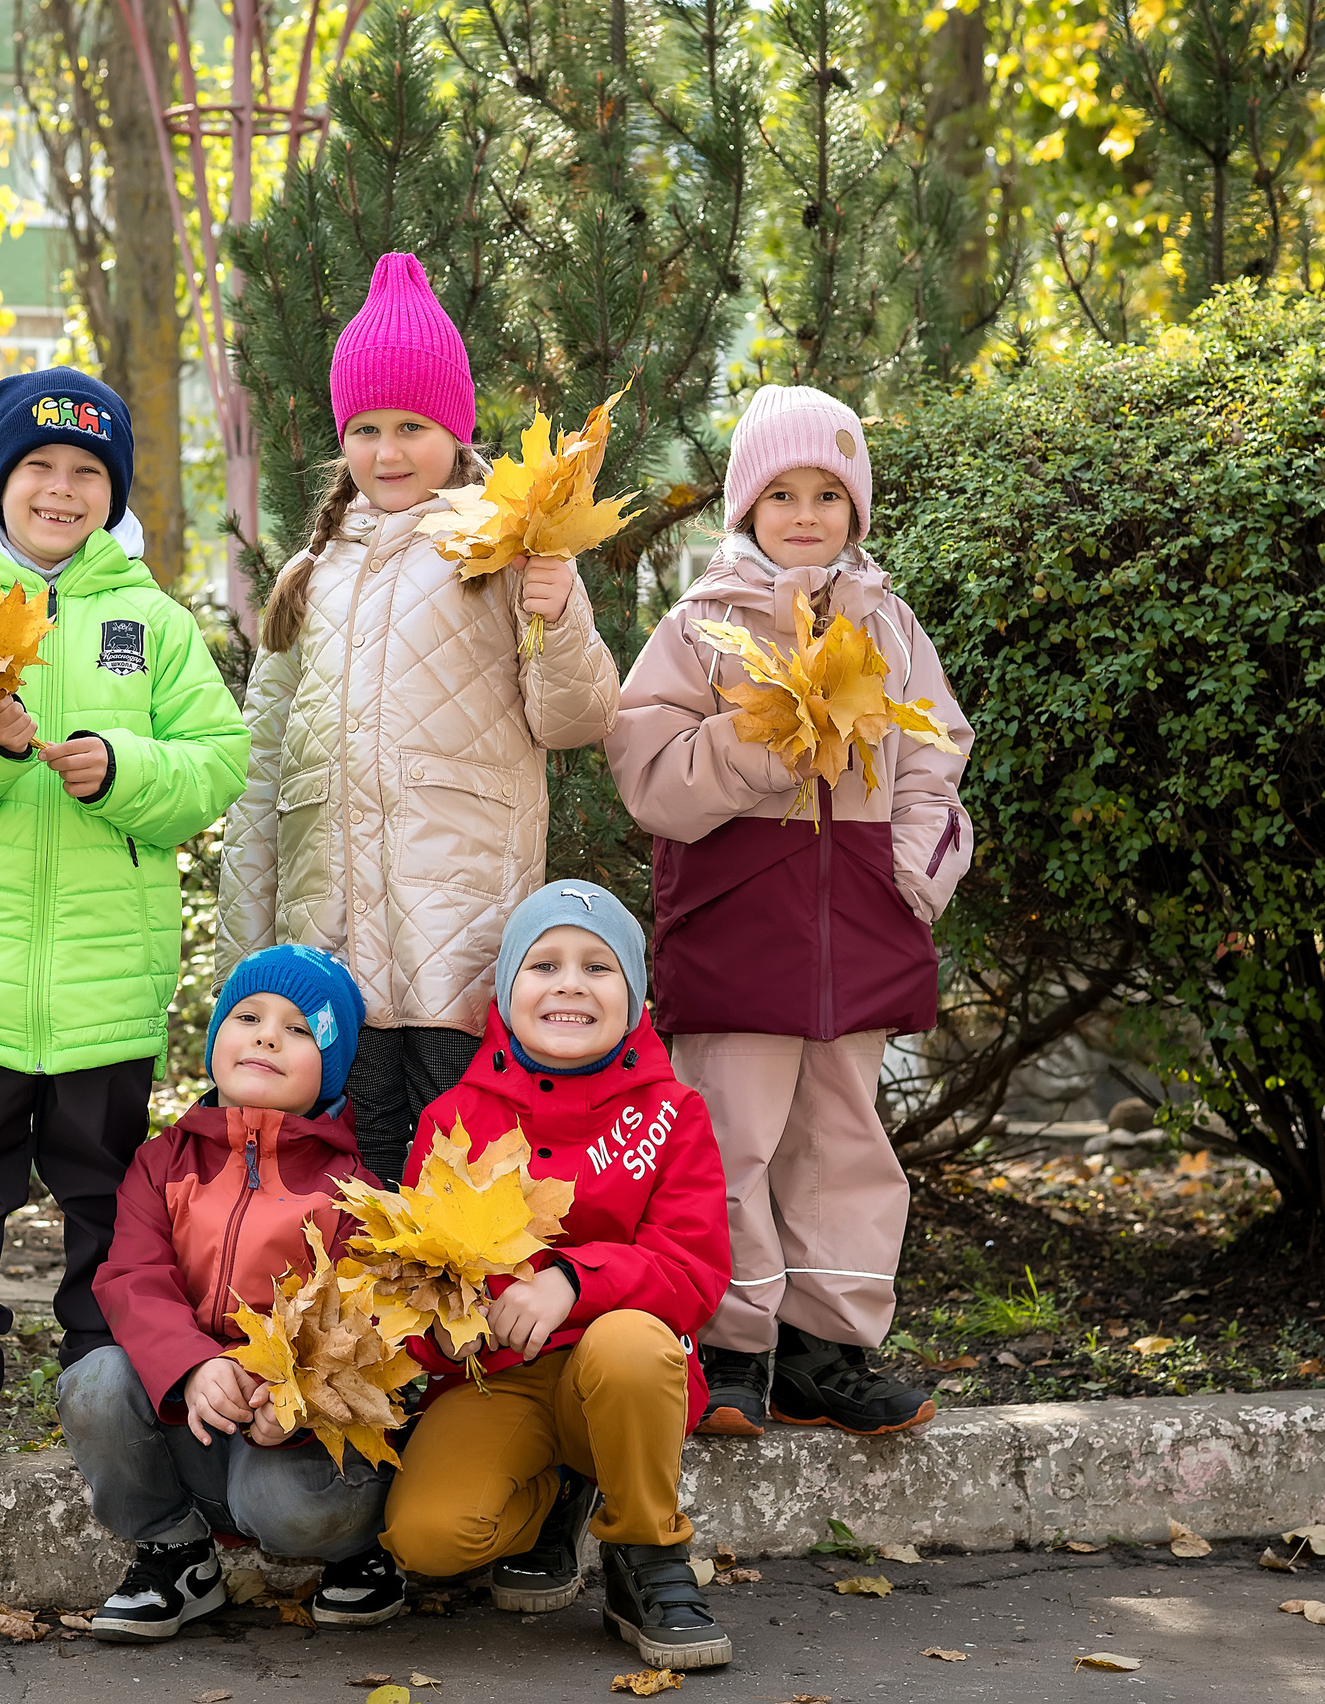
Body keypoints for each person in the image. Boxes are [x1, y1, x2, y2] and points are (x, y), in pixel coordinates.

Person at [0, 366, 249, 1478]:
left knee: (108, 1196)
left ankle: (104, 1385)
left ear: (112, 492)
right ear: (3, 479)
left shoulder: (153, 622)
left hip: (106, 984)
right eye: (40, 468)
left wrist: (120, 769)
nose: (63, 490)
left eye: (87, 472)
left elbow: (216, 764)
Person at [606, 383, 974, 1438]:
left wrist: (914, 868)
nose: (805, 513)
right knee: (728, 1141)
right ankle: (729, 1347)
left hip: (861, 918)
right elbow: (650, 772)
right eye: (781, 493)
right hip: (737, 918)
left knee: (845, 1141)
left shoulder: (891, 626)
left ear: (856, 510)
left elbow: (933, 756)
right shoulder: (699, 628)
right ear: (745, 507)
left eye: (828, 493)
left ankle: (829, 1346)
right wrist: (759, 749)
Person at [219, 251, 621, 1186]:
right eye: (364, 428)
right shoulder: (307, 580)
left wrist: (557, 614)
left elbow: (577, 716)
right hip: (330, 944)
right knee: (350, 1169)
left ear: (456, 429)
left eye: (412, 426)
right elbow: (262, 773)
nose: (387, 452)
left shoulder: (503, 552)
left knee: (457, 1169)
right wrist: (248, 955)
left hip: (460, 936)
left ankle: (458, 1335)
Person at [378, 883, 735, 1673]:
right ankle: (560, 1493)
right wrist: (448, 1324)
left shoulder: (673, 1114)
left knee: (634, 1346)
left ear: (634, 996)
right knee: (428, 1539)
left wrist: (572, 1281)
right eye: (544, 964)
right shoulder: (451, 1122)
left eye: (598, 967)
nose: (570, 983)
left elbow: (694, 1269)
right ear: (507, 990)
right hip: (500, 1378)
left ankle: (647, 1553)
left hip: (621, 1370)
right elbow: (420, 1275)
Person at [60, 944, 407, 1641]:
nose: (268, 1034)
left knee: (287, 1508)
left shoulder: (356, 1188)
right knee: (94, 1382)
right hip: (187, 1408)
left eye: (301, 1028)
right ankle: (175, 1551)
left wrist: (288, 1391)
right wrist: (191, 1364)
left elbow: (356, 1321)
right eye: (247, 1015)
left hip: (290, 1434)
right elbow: (134, 1278)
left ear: (332, 1068)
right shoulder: (163, 1164)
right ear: (217, 1037)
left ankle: (356, 1553)